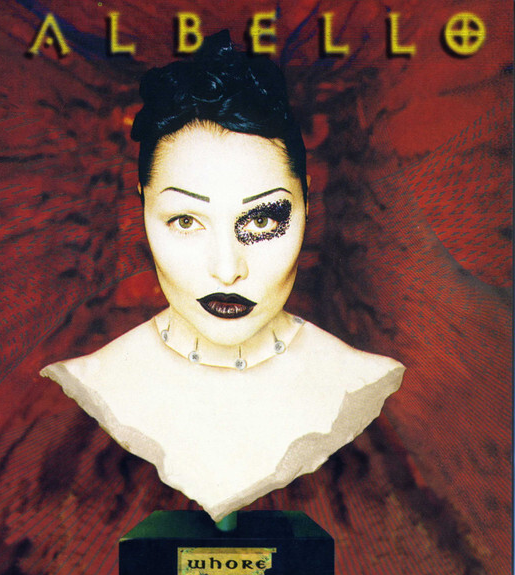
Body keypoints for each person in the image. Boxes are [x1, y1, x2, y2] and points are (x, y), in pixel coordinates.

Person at [41, 31, 404, 522]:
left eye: (262, 221)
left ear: (308, 202)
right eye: (185, 221)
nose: (228, 269)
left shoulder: (357, 380)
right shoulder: (101, 379)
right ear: (142, 207)